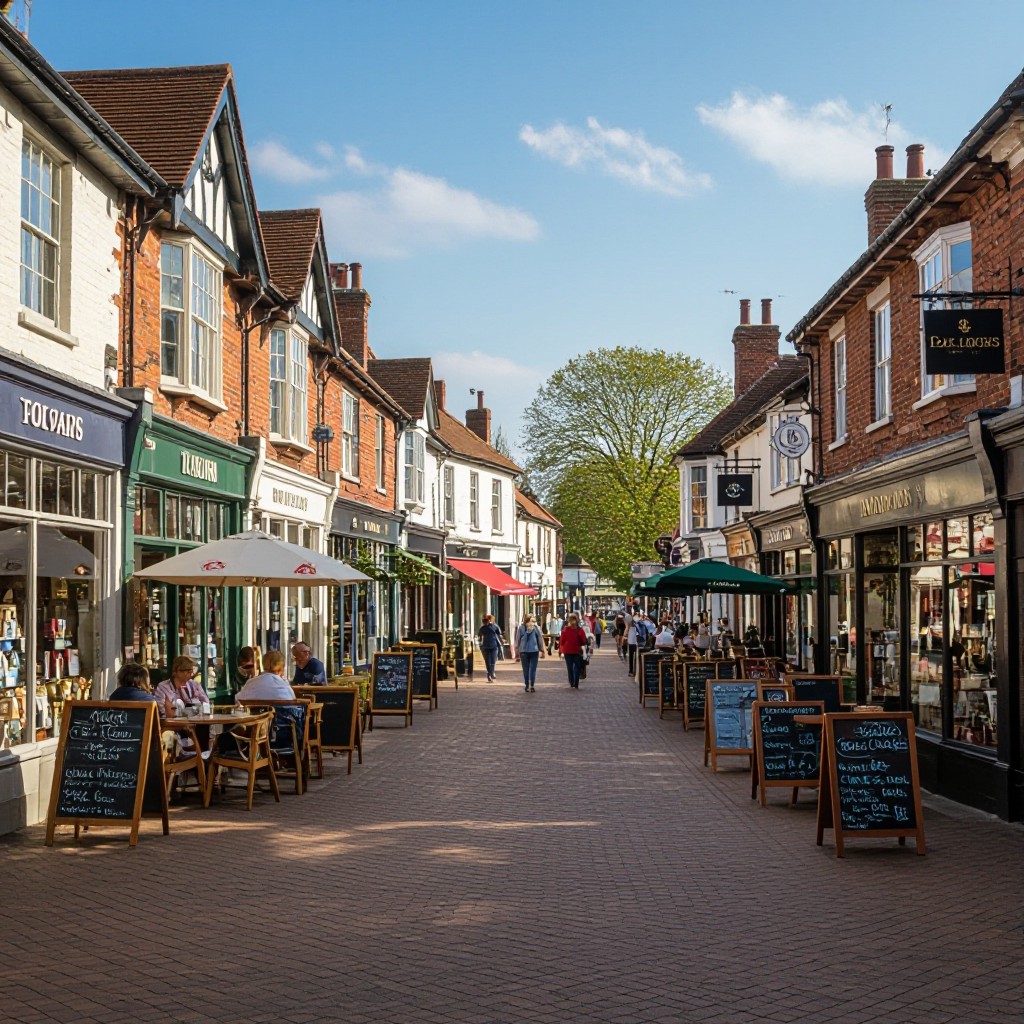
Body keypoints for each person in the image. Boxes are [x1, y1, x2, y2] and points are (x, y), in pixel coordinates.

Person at [513, 613, 546, 692]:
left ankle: (527, 685)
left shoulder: (521, 628)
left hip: (524, 651)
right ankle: (532, 685)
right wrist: (542, 649)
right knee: (533, 669)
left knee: (526, 669)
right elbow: (540, 639)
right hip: (534, 650)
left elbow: (517, 641)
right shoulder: (536, 628)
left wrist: (517, 652)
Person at [559, 613, 589, 688]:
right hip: (576, 651)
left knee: (570, 668)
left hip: (568, 651)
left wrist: (560, 651)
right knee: (576, 667)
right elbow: (583, 641)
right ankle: (575, 683)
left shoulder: (566, 630)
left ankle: (572, 682)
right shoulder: (579, 630)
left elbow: (561, 641)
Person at [477, 614, 504, 682]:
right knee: (493, 661)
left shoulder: (483, 628)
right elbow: (499, 633)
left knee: (488, 661)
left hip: (485, 646)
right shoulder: (494, 626)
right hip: (493, 645)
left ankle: (490, 674)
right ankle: (491, 673)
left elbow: (479, 636)